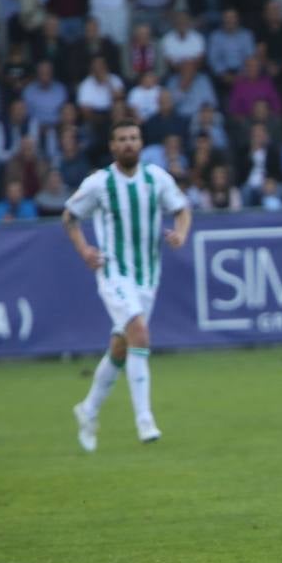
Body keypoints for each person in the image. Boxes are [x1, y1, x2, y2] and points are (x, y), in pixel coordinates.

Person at [64, 119, 192, 450]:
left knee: (121, 347)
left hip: (148, 276)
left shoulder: (156, 178)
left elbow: (182, 209)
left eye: (133, 138)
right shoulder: (99, 183)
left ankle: (88, 409)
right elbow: (69, 216)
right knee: (140, 333)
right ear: (112, 146)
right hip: (113, 272)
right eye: (122, 139)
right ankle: (145, 420)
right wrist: (84, 250)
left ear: (141, 143)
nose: (128, 144)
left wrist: (181, 233)